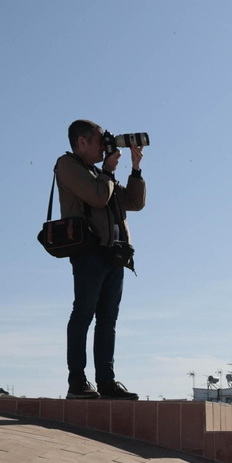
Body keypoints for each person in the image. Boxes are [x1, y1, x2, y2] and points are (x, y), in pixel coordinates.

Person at [56, 120, 146, 400]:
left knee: (108, 320)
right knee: (83, 314)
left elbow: (134, 202)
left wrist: (135, 169)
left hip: (114, 254)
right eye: (99, 141)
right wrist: (107, 171)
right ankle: (77, 381)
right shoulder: (68, 165)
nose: (104, 147)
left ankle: (106, 382)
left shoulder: (100, 173)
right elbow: (97, 197)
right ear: (81, 142)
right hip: (88, 252)